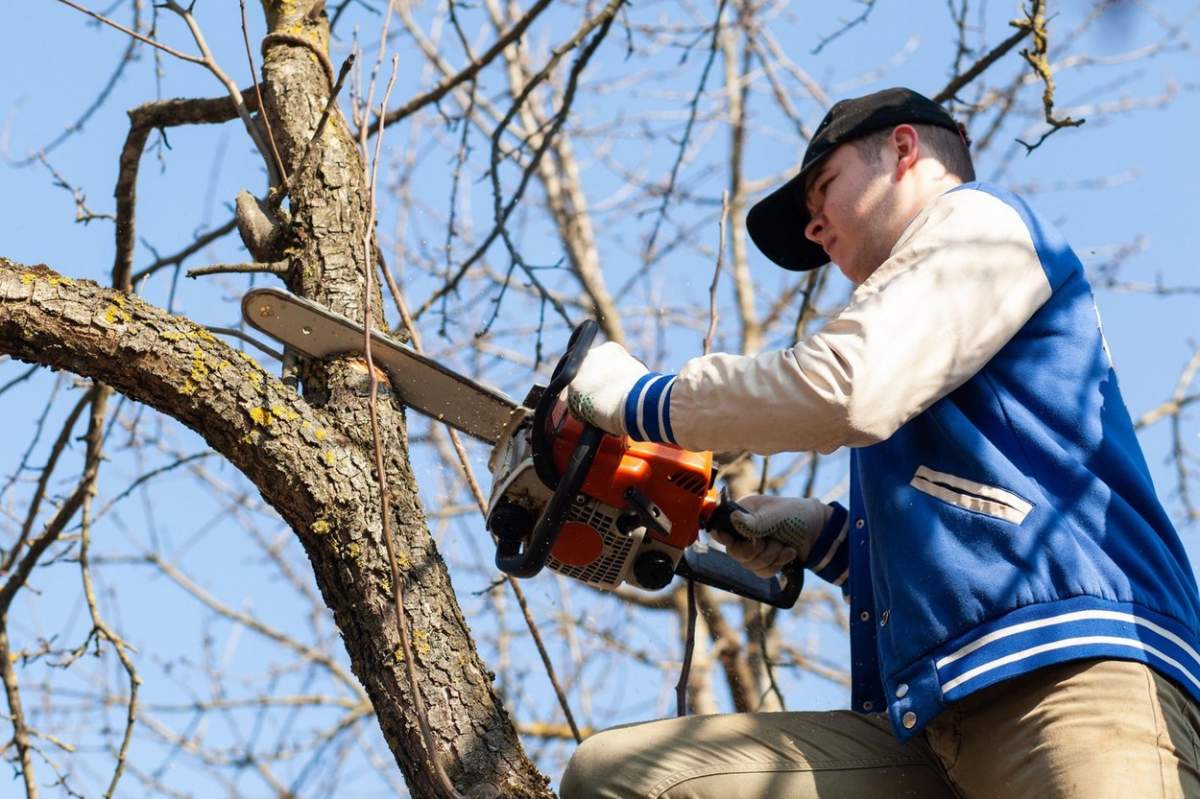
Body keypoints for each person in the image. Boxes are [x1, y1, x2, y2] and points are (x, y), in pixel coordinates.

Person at [558, 87, 1200, 798]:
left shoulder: (982, 227)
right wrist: (830, 541)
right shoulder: (919, 332)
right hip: (927, 725)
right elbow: (968, 531)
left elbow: (846, 389)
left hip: (1069, 682)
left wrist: (640, 402)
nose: (812, 227)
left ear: (903, 148)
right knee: (623, 780)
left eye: (822, 188)